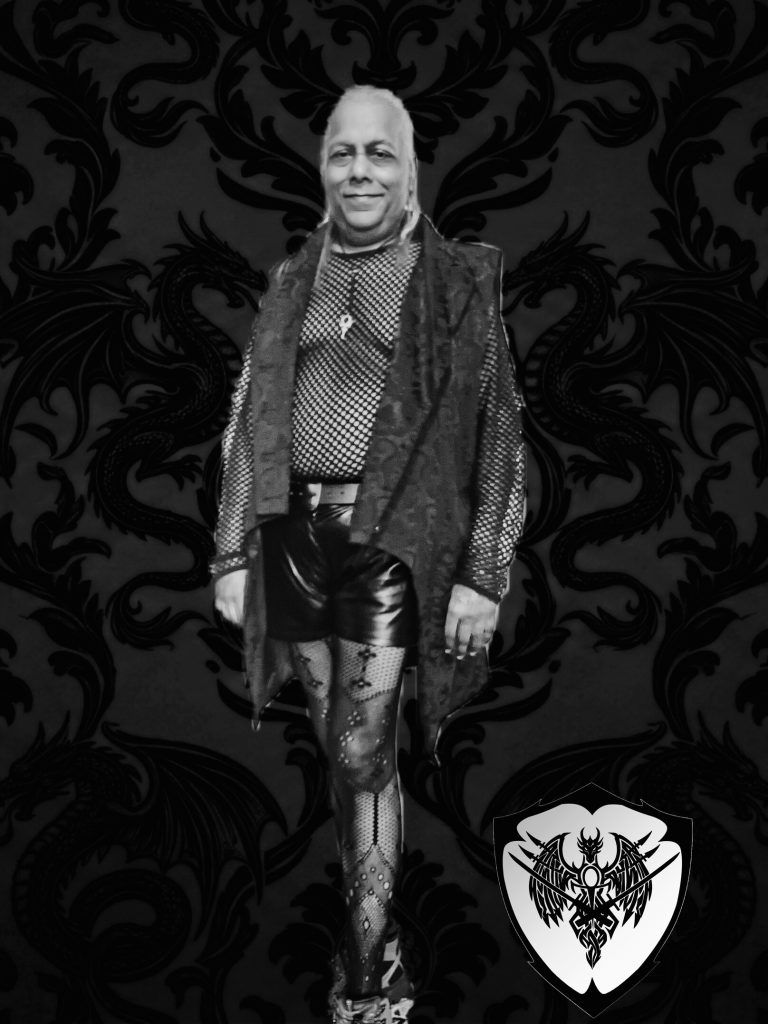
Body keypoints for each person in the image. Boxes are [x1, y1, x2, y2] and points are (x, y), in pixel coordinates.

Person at [211, 85, 526, 1024]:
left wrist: (484, 573)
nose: (360, 171)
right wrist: (230, 553)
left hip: (391, 538)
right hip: (291, 539)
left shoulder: (455, 278)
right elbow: (245, 418)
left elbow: (500, 431)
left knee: (358, 751)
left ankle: (368, 973)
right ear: (322, 168)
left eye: (379, 153)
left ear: (409, 167)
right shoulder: (290, 280)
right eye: (342, 153)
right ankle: (372, 948)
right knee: (346, 754)